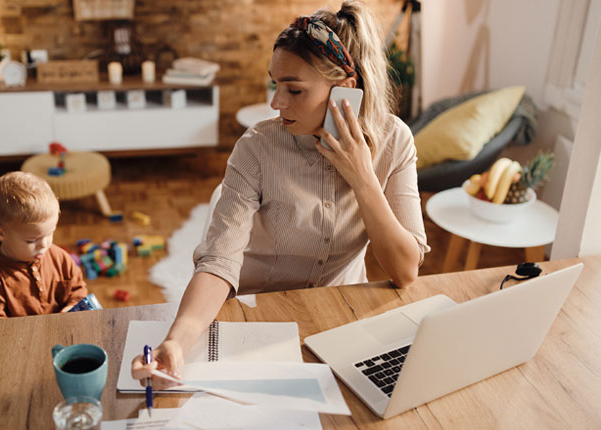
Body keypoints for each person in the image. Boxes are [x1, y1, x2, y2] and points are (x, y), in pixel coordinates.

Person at [132, 1, 429, 386]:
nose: (276, 102)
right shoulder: (256, 147)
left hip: (338, 319)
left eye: (294, 89)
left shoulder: (395, 142)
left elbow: (405, 271)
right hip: (257, 315)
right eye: (276, 84)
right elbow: (219, 263)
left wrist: (363, 178)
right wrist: (175, 341)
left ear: (345, 92)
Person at [0, 171, 88, 320]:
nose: (44, 244)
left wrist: (72, 307)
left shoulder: (60, 258)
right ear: (0, 233)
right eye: (31, 240)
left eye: (49, 234)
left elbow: (78, 290)